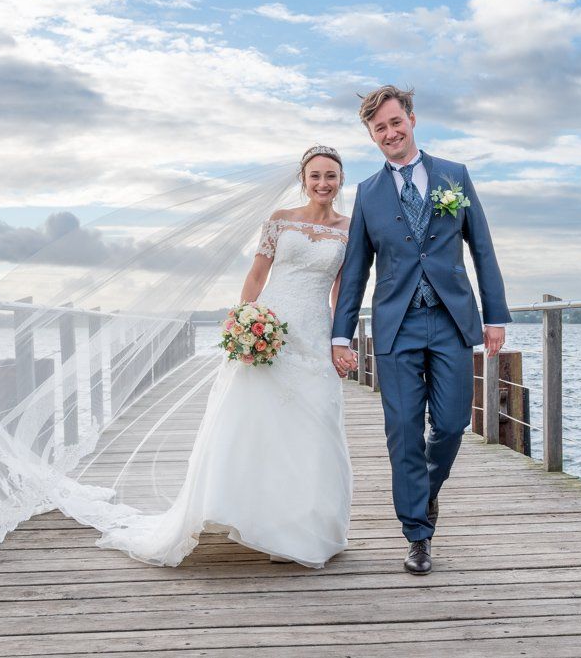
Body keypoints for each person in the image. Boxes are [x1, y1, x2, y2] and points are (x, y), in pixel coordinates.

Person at [97, 146, 353, 568]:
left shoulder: (350, 228)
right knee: (254, 422)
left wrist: (337, 340)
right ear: (302, 179)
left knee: (315, 425)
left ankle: (301, 526)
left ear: (341, 180)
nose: (323, 183)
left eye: (331, 176)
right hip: (268, 327)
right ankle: (250, 515)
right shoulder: (279, 220)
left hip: (313, 333)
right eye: (315, 176)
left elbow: (341, 289)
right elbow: (257, 274)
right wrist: (245, 322)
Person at [331, 86, 511, 575]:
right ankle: (417, 533)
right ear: (372, 135)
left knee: (453, 423)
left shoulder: (455, 176)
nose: (390, 133)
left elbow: (483, 249)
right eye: (379, 129)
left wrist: (495, 316)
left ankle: (425, 491)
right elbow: (355, 269)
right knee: (404, 431)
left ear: (412, 118)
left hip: (451, 321)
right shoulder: (367, 193)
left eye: (396, 122)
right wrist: (340, 334)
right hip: (396, 325)